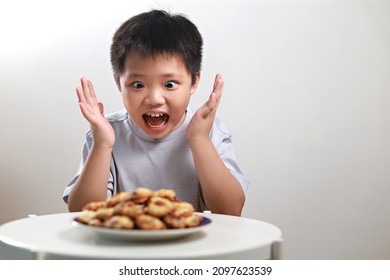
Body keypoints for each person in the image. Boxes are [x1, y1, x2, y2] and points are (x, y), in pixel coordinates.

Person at [63, 9, 249, 216]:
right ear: (118, 83)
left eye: (169, 84)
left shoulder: (209, 132)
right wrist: (102, 145)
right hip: (123, 247)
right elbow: (81, 212)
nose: (154, 99)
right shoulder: (105, 135)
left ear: (194, 82)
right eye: (138, 84)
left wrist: (199, 139)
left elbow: (230, 210)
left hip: (191, 247)